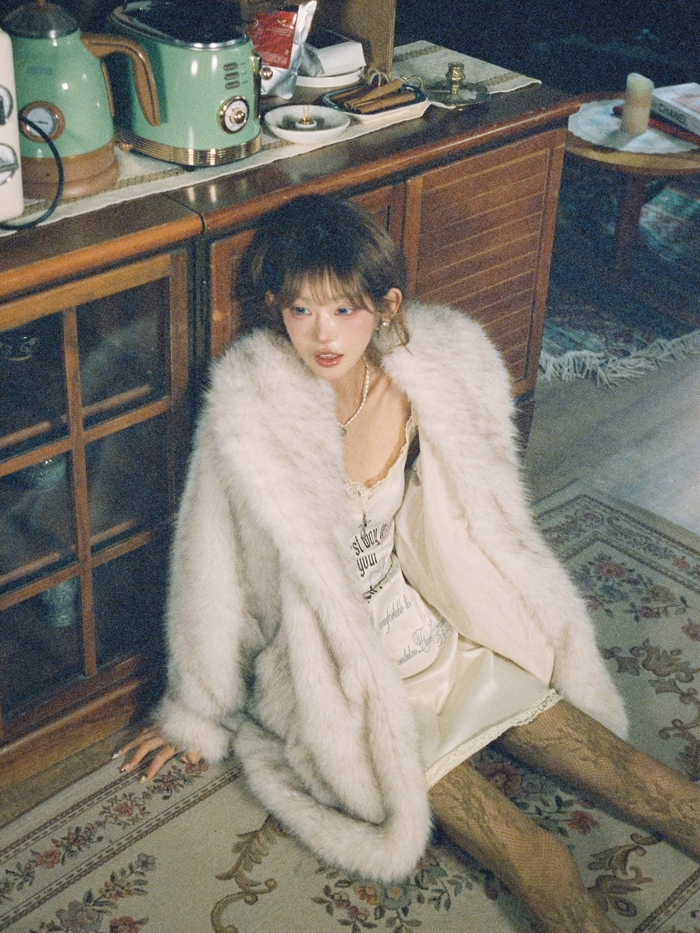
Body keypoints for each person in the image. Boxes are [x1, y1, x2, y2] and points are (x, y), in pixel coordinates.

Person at [115, 194, 700, 933]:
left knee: (646, 780)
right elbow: (212, 568)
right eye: (301, 311)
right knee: (534, 856)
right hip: (338, 672)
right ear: (276, 309)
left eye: (344, 309)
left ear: (386, 306)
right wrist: (195, 712)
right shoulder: (250, 415)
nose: (323, 334)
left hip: (431, 634)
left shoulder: (426, 378)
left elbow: (476, 519)